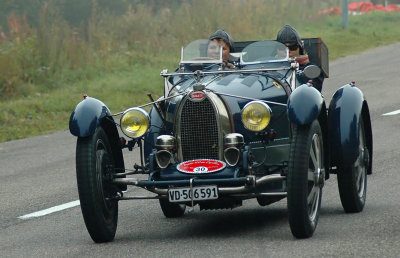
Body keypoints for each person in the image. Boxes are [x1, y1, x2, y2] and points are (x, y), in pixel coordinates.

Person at [276, 24, 323, 91]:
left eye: (292, 47)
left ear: (300, 49)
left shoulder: (310, 69)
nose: (287, 51)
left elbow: (314, 92)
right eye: (282, 47)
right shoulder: (267, 66)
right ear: (277, 49)